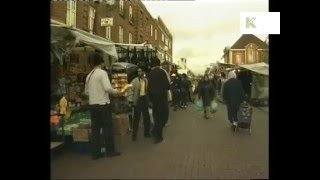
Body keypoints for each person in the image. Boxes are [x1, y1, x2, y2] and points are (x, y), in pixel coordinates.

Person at [84, 52, 123, 160]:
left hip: (93, 105)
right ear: (101, 62)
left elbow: (86, 92)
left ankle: (95, 153)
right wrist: (117, 92)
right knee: (108, 128)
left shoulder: (89, 75)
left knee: (95, 129)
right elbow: (107, 88)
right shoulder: (102, 73)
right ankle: (110, 151)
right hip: (103, 104)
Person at [147, 59, 170, 144]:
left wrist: (149, 99)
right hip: (162, 98)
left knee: (156, 116)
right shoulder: (163, 72)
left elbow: (147, 88)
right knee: (164, 115)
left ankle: (155, 131)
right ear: (159, 64)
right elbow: (168, 85)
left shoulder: (149, 74)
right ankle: (158, 135)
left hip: (154, 99)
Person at [128, 68, 151, 141]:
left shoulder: (146, 80)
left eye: (141, 71)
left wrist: (149, 100)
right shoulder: (134, 81)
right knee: (136, 119)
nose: (140, 73)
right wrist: (131, 100)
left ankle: (146, 133)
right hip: (138, 100)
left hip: (144, 99)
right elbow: (130, 91)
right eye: (138, 71)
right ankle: (134, 135)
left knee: (147, 117)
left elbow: (147, 91)